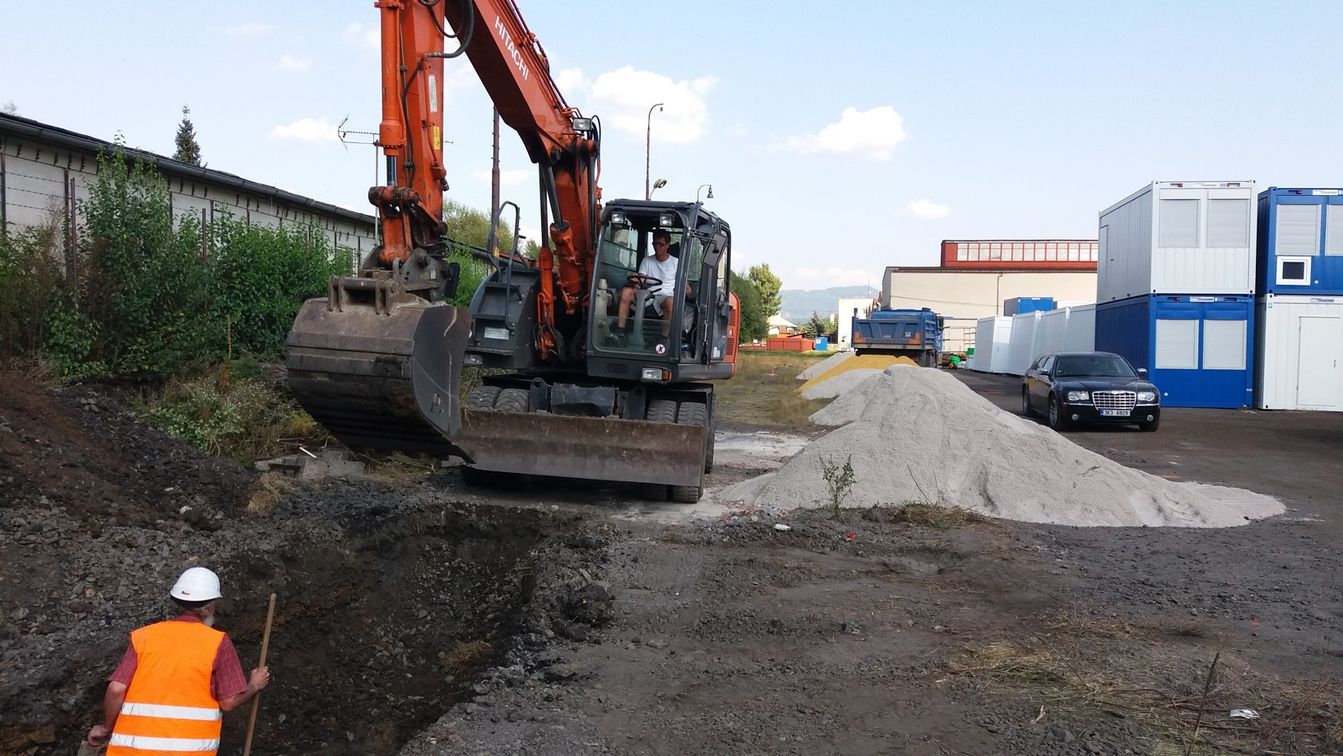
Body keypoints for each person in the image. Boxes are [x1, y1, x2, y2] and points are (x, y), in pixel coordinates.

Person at [86, 567, 271, 755]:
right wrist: (254, 686)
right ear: (209, 607)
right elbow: (228, 703)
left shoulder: (144, 637)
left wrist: (105, 728)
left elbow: (116, 689)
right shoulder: (217, 643)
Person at [616, 229, 679, 342]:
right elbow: (641, 278)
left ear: (667, 245)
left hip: (665, 296)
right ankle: (620, 332)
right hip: (647, 294)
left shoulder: (676, 263)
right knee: (626, 292)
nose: (657, 247)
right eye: (655, 244)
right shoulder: (647, 261)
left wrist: (688, 291)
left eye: (660, 244)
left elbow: (685, 286)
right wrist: (636, 280)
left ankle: (663, 339)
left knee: (671, 302)